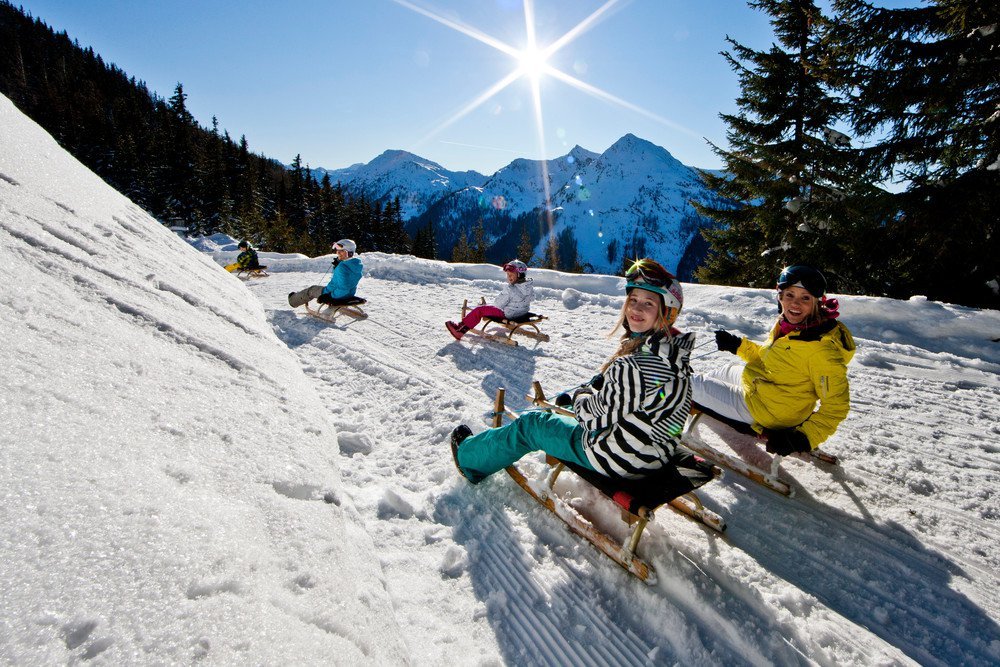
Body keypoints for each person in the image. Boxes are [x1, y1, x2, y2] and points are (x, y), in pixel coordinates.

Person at [449, 258, 698, 483]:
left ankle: (469, 459)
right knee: (564, 409)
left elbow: (593, 418)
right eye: (633, 300)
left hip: (620, 459)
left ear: (667, 312)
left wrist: (580, 398)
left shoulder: (632, 366)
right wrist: (597, 391)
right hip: (655, 453)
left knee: (532, 423)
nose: (636, 309)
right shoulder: (675, 356)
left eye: (648, 303)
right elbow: (631, 400)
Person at [691, 264, 855, 456]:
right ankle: (697, 397)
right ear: (780, 297)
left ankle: (682, 392)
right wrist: (738, 345)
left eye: (805, 298)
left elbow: (836, 405)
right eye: (789, 295)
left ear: (817, 303)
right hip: (767, 393)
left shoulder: (821, 350)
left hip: (770, 413)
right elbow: (772, 359)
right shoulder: (788, 327)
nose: (795, 304)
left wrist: (802, 438)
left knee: (688, 383)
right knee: (726, 371)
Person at [445, 259, 533, 340]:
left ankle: (459, 330)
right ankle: (461, 329)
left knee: (479, 310)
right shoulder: (529, 287)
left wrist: (487, 307)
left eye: (511, 275)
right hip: (522, 314)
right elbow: (532, 298)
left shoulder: (510, 289)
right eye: (508, 275)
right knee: (489, 308)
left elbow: (497, 305)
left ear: (519, 274)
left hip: (508, 315)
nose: (509, 277)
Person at [287, 239, 363, 308]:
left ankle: (293, 301)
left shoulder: (342, 267)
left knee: (311, 290)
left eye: (341, 251)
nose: (338, 253)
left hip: (333, 293)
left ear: (349, 253)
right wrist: (338, 264)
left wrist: (329, 296)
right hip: (349, 294)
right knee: (316, 289)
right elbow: (347, 280)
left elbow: (344, 287)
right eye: (337, 250)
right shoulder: (355, 264)